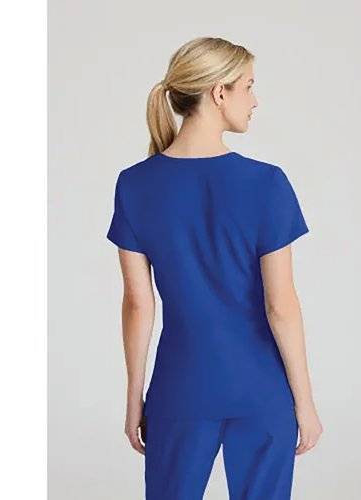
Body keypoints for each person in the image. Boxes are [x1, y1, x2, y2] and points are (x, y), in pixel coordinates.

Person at [106, 36, 323, 500]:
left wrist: (134, 398)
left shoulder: (134, 185)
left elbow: (139, 305)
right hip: (261, 388)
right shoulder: (266, 183)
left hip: (179, 389)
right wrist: (304, 402)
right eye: (249, 86)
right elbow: (281, 306)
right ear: (219, 92)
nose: (255, 100)